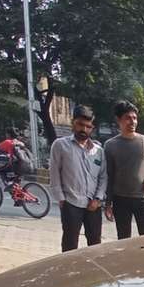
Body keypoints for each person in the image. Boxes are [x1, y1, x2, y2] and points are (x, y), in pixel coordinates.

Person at [48, 105, 107, 252]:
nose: (84, 129)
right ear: (73, 123)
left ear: (92, 128)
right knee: (70, 244)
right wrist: (61, 199)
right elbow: (54, 173)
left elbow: (103, 177)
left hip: (93, 205)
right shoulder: (60, 145)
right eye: (80, 124)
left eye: (88, 126)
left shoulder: (98, 151)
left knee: (95, 244)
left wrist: (98, 199)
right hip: (71, 203)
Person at [104, 100, 144, 239]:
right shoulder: (110, 145)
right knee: (123, 240)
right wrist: (108, 203)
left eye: (135, 118)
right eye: (128, 118)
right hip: (120, 200)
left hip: (143, 198)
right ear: (118, 120)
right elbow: (109, 175)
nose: (132, 122)